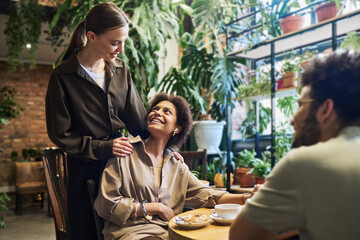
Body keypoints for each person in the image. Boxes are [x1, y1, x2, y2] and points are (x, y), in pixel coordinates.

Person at [45, 3, 180, 239]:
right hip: (84, 169)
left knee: (125, 231)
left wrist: (168, 149)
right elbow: (61, 135)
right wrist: (105, 147)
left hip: (122, 167)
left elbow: (139, 121)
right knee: (88, 233)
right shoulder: (62, 76)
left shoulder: (120, 70)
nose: (121, 49)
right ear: (92, 37)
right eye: (115, 42)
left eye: (123, 41)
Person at [229, 51, 360, 240]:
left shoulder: (305, 164)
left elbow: (240, 236)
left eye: (300, 106)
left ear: (326, 109)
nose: (292, 120)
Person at [94, 93, 258, 240]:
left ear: (177, 128)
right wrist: (155, 208)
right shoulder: (125, 151)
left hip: (170, 232)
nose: (157, 112)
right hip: (131, 233)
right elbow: (107, 204)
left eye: (167, 111)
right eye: (155, 109)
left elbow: (207, 195)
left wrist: (246, 198)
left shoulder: (177, 165)